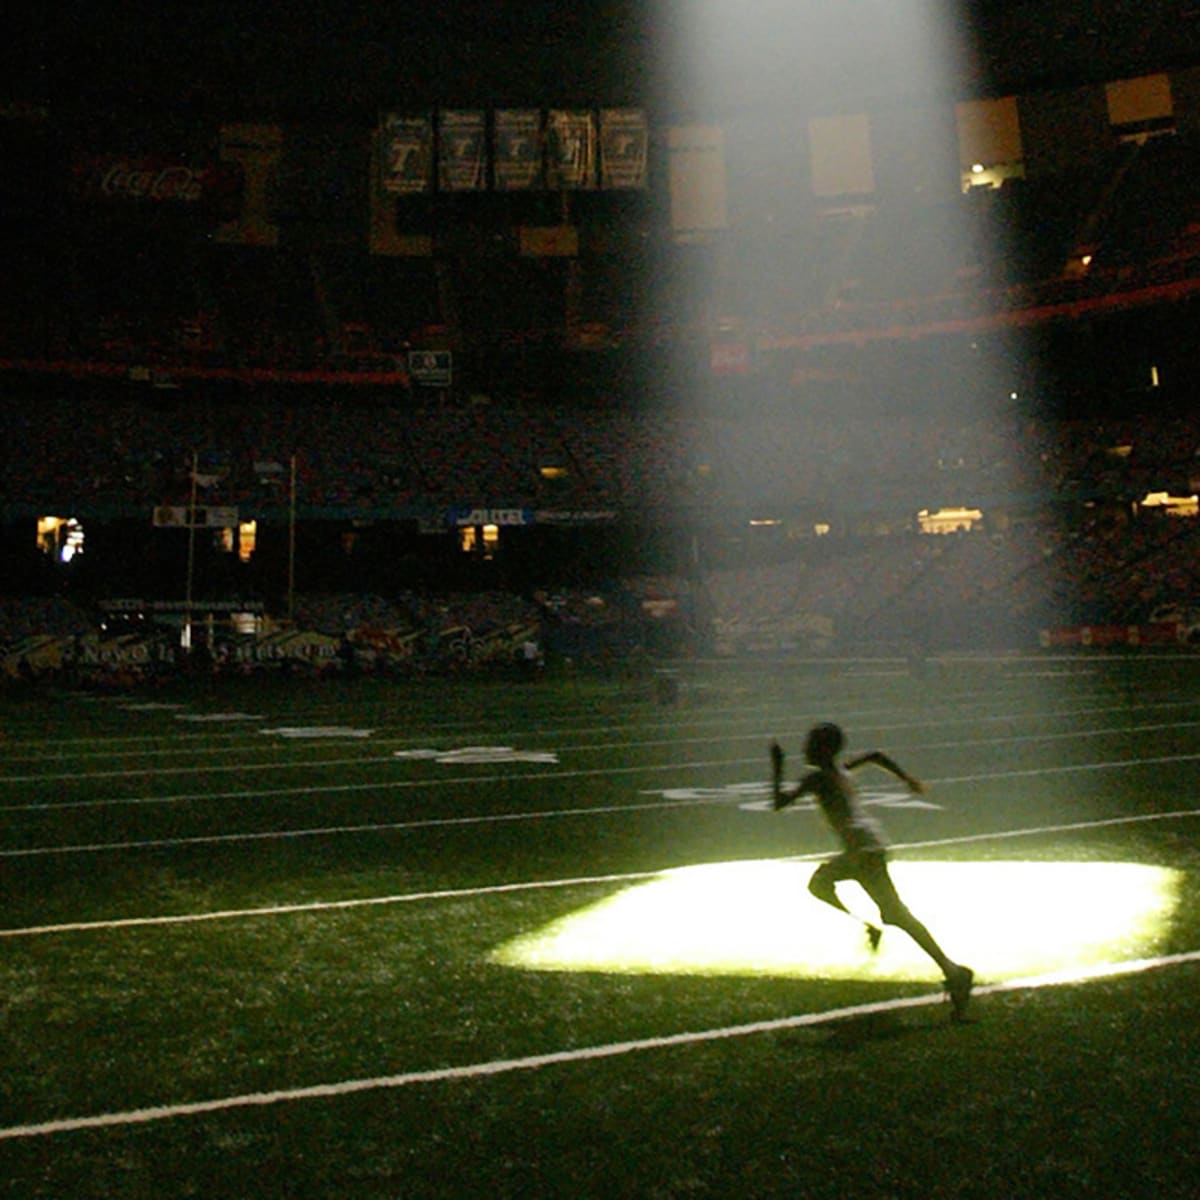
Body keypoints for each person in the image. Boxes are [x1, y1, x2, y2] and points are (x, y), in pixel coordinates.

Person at [770, 722, 974, 1021]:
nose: (804, 748)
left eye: (810, 743)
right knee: (889, 911)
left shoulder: (817, 779)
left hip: (862, 850)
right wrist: (907, 779)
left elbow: (779, 804)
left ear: (822, 748)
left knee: (834, 890)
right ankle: (949, 970)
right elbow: (876, 755)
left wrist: (777, 766)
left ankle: (952, 970)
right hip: (867, 847)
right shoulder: (840, 770)